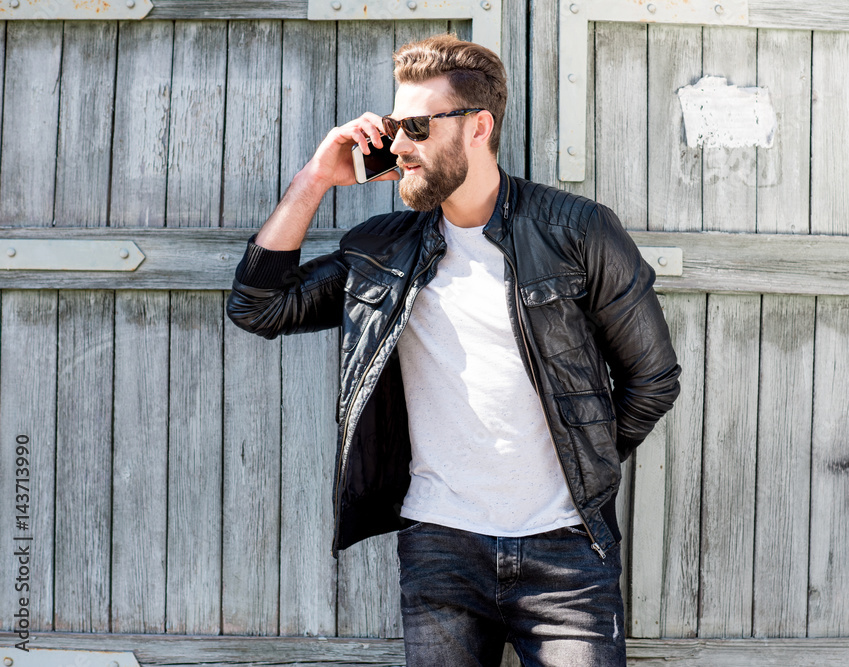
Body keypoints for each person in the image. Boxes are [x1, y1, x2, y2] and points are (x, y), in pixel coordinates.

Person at [226, 33, 681, 667]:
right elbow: (259, 306)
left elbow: (653, 379)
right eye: (393, 126)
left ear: (478, 127)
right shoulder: (382, 250)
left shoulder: (577, 230)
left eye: (415, 125)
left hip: (568, 552)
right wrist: (315, 179)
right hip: (439, 548)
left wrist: (582, 459)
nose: (400, 146)